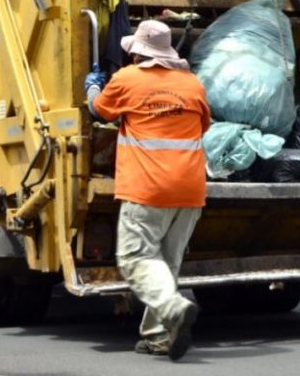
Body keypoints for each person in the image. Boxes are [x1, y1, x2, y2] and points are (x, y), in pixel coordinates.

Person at [85, 19, 211, 361]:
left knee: (136, 258)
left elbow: (99, 111)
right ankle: (157, 336)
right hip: (190, 189)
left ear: (137, 53)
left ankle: (172, 307)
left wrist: (93, 88)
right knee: (166, 262)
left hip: (147, 188)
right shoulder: (192, 85)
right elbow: (202, 126)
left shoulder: (127, 79)